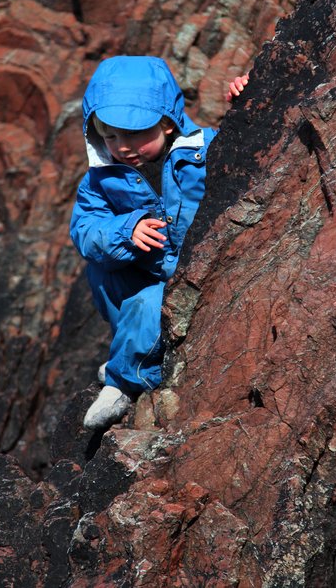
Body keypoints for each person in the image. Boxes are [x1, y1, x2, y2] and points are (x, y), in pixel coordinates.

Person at [70, 56, 248, 430]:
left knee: (151, 303)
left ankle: (124, 382)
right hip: (151, 269)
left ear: (167, 123)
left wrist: (247, 97)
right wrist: (126, 230)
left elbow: (248, 146)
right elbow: (86, 230)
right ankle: (134, 351)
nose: (123, 147)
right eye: (110, 136)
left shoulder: (201, 152)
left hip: (197, 273)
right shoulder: (101, 180)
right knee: (102, 273)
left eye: (134, 133)